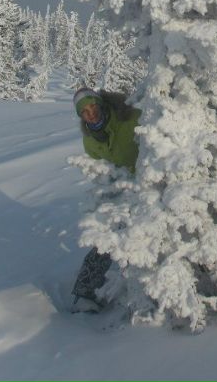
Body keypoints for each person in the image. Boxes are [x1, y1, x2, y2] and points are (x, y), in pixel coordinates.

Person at [70, 86, 141, 311]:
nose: (91, 114)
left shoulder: (128, 118)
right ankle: (84, 291)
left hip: (152, 183)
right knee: (108, 237)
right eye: (85, 112)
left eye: (93, 107)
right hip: (121, 190)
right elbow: (101, 171)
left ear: (100, 104)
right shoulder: (91, 141)